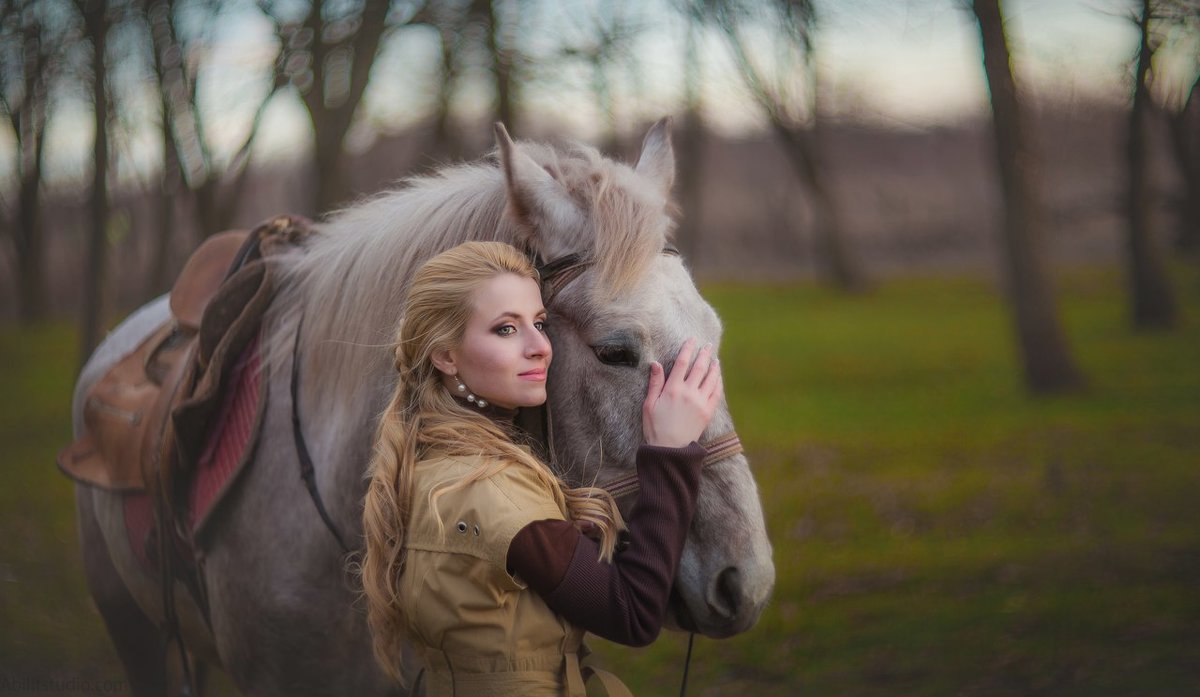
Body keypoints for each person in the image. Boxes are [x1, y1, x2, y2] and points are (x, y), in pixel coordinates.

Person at [359, 241, 722, 696]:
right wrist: (670, 452)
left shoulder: (432, 459)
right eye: (506, 329)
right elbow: (632, 612)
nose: (540, 348)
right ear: (446, 355)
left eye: (540, 324)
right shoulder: (492, 491)